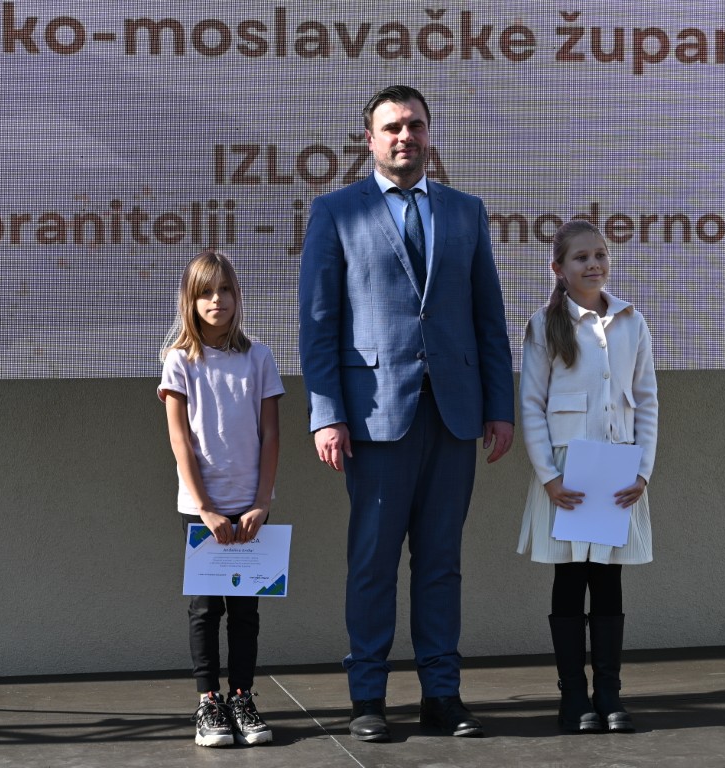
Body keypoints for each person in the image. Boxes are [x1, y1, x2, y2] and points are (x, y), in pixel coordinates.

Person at [298, 85, 515, 742]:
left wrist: (499, 407)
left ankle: (441, 695)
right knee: (372, 562)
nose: (405, 136)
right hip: (374, 418)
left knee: (441, 562)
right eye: (392, 127)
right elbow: (319, 324)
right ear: (368, 139)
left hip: (453, 414)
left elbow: (488, 317)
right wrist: (326, 413)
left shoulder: (465, 212)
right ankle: (367, 697)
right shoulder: (336, 211)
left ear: (429, 134)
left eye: (415, 125)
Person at [516, 218, 658, 734]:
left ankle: (609, 693)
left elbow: (646, 400)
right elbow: (531, 405)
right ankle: (573, 696)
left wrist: (642, 471)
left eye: (600, 254)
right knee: (570, 578)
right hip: (567, 475)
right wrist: (549, 477)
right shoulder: (544, 325)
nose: (593, 264)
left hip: (617, 472)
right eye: (581, 257)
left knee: (608, 579)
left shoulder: (632, 321)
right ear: (558, 267)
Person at [158, 249, 285, 748]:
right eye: (206, 292)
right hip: (201, 510)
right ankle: (209, 701)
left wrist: (261, 502)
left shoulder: (259, 357)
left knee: (246, 611)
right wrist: (206, 508)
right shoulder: (179, 361)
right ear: (190, 301)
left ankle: (242, 697)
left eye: (225, 290)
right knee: (206, 609)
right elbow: (180, 441)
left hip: (251, 507)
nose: (217, 300)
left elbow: (271, 435)